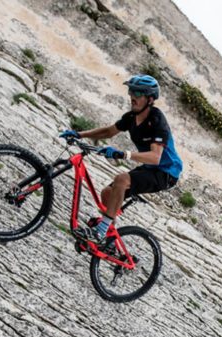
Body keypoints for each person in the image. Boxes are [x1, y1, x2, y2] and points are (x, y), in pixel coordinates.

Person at [59, 75, 183, 247]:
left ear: (150, 99)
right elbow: (109, 132)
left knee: (122, 179)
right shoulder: (131, 117)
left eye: (138, 93)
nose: (132, 96)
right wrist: (79, 134)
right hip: (150, 168)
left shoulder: (157, 121)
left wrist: (123, 154)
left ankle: (101, 231)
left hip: (167, 172)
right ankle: (110, 238)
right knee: (107, 194)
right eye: (131, 91)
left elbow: (156, 157)